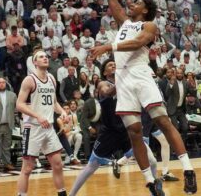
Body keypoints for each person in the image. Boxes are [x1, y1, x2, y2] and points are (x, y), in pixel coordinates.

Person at [90, 0, 197, 194]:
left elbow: (138, 43)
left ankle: (188, 169)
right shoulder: (125, 22)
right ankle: (150, 181)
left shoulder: (149, 25)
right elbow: (112, 0)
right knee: (134, 133)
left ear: (145, 10)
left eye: (137, 2)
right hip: (123, 78)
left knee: (163, 122)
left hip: (140, 75)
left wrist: (108, 47)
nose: (131, 3)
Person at [69, 59, 162, 195]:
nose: (113, 66)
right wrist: (123, 78)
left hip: (127, 131)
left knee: (152, 161)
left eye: (114, 64)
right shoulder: (102, 84)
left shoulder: (127, 83)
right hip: (109, 133)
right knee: (91, 167)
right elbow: (108, 92)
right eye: (109, 65)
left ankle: (155, 193)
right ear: (105, 72)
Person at [16, 50, 68, 196]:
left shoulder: (51, 78)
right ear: (35, 62)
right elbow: (19, 105)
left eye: (46, 56)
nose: (45, 58)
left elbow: (54, 102)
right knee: (27, 168)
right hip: (33, 127)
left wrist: (62, 112)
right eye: (41, 57)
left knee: (58, 164)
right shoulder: (29, 80)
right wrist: (37, 116)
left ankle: (62, 194)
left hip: (49, 127)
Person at [0, 77, 18, 172]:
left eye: (3, 82)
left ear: (6, 84)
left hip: (8, 124)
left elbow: (15, 109)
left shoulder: (12, 95)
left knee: (7, 145)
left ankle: (7, 163)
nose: (1, 84)